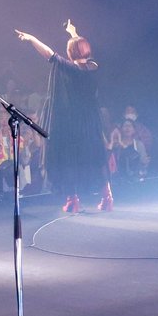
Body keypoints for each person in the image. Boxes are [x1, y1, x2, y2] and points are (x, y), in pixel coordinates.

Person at [15, 20, 104, 212]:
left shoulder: (68, 68)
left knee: (68, 159)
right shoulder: (93, 68)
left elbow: (49, 54)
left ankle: (73, 199)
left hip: (72, 124)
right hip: (90, 122)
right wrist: (74, 33)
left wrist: (32, 38)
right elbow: (80, 56)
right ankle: (108, 197)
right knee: (96, 157)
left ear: (71, 52)